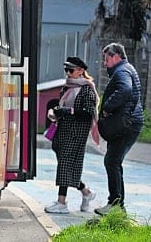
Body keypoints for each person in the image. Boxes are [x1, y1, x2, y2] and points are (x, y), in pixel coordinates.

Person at [44, 56, 99, 214]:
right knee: (67, 166)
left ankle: (62, 202)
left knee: (65, 164)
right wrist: (55, 112)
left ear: (81, 71)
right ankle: (86, 193)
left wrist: (68, 111)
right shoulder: (67, 87)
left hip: (76, 132)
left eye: (71, 70)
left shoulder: (87, 89)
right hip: (63, 130)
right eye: (66, 70)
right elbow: (62, 106)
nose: (68, 73)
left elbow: (89, 112)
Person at [95, 42, 144, 215]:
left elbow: (125, 90)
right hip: (129, 123)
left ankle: (115, 204)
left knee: (112, 161)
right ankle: (117, 205)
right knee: (114, 161)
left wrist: (108, 107)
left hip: (126, 124)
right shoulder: (126, 69)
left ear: (116, 57)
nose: (104, 63)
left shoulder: (122, 71)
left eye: (107, 59)